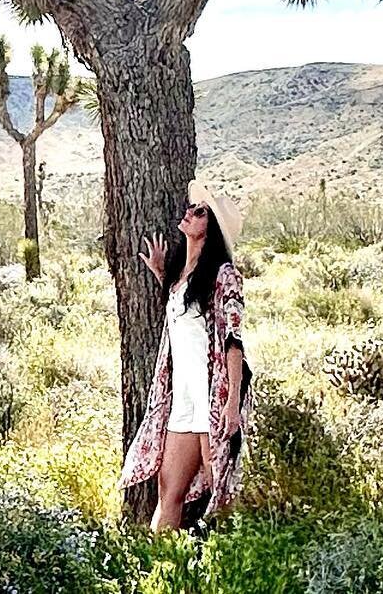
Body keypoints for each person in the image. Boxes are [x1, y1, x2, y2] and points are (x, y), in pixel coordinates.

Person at [118, 179, 254, 532]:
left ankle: (231, 564)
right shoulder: (181, 274)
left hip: (212, 396)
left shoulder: (225, 276)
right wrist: (162, 272)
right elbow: (183, 320)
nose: (189, 214)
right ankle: (159, 571)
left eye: (199, 212)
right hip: (182, 399)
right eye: (192, 209)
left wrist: (232, 403)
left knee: (219, 489)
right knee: (169, 490)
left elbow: (232, 340)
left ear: (211, 229)